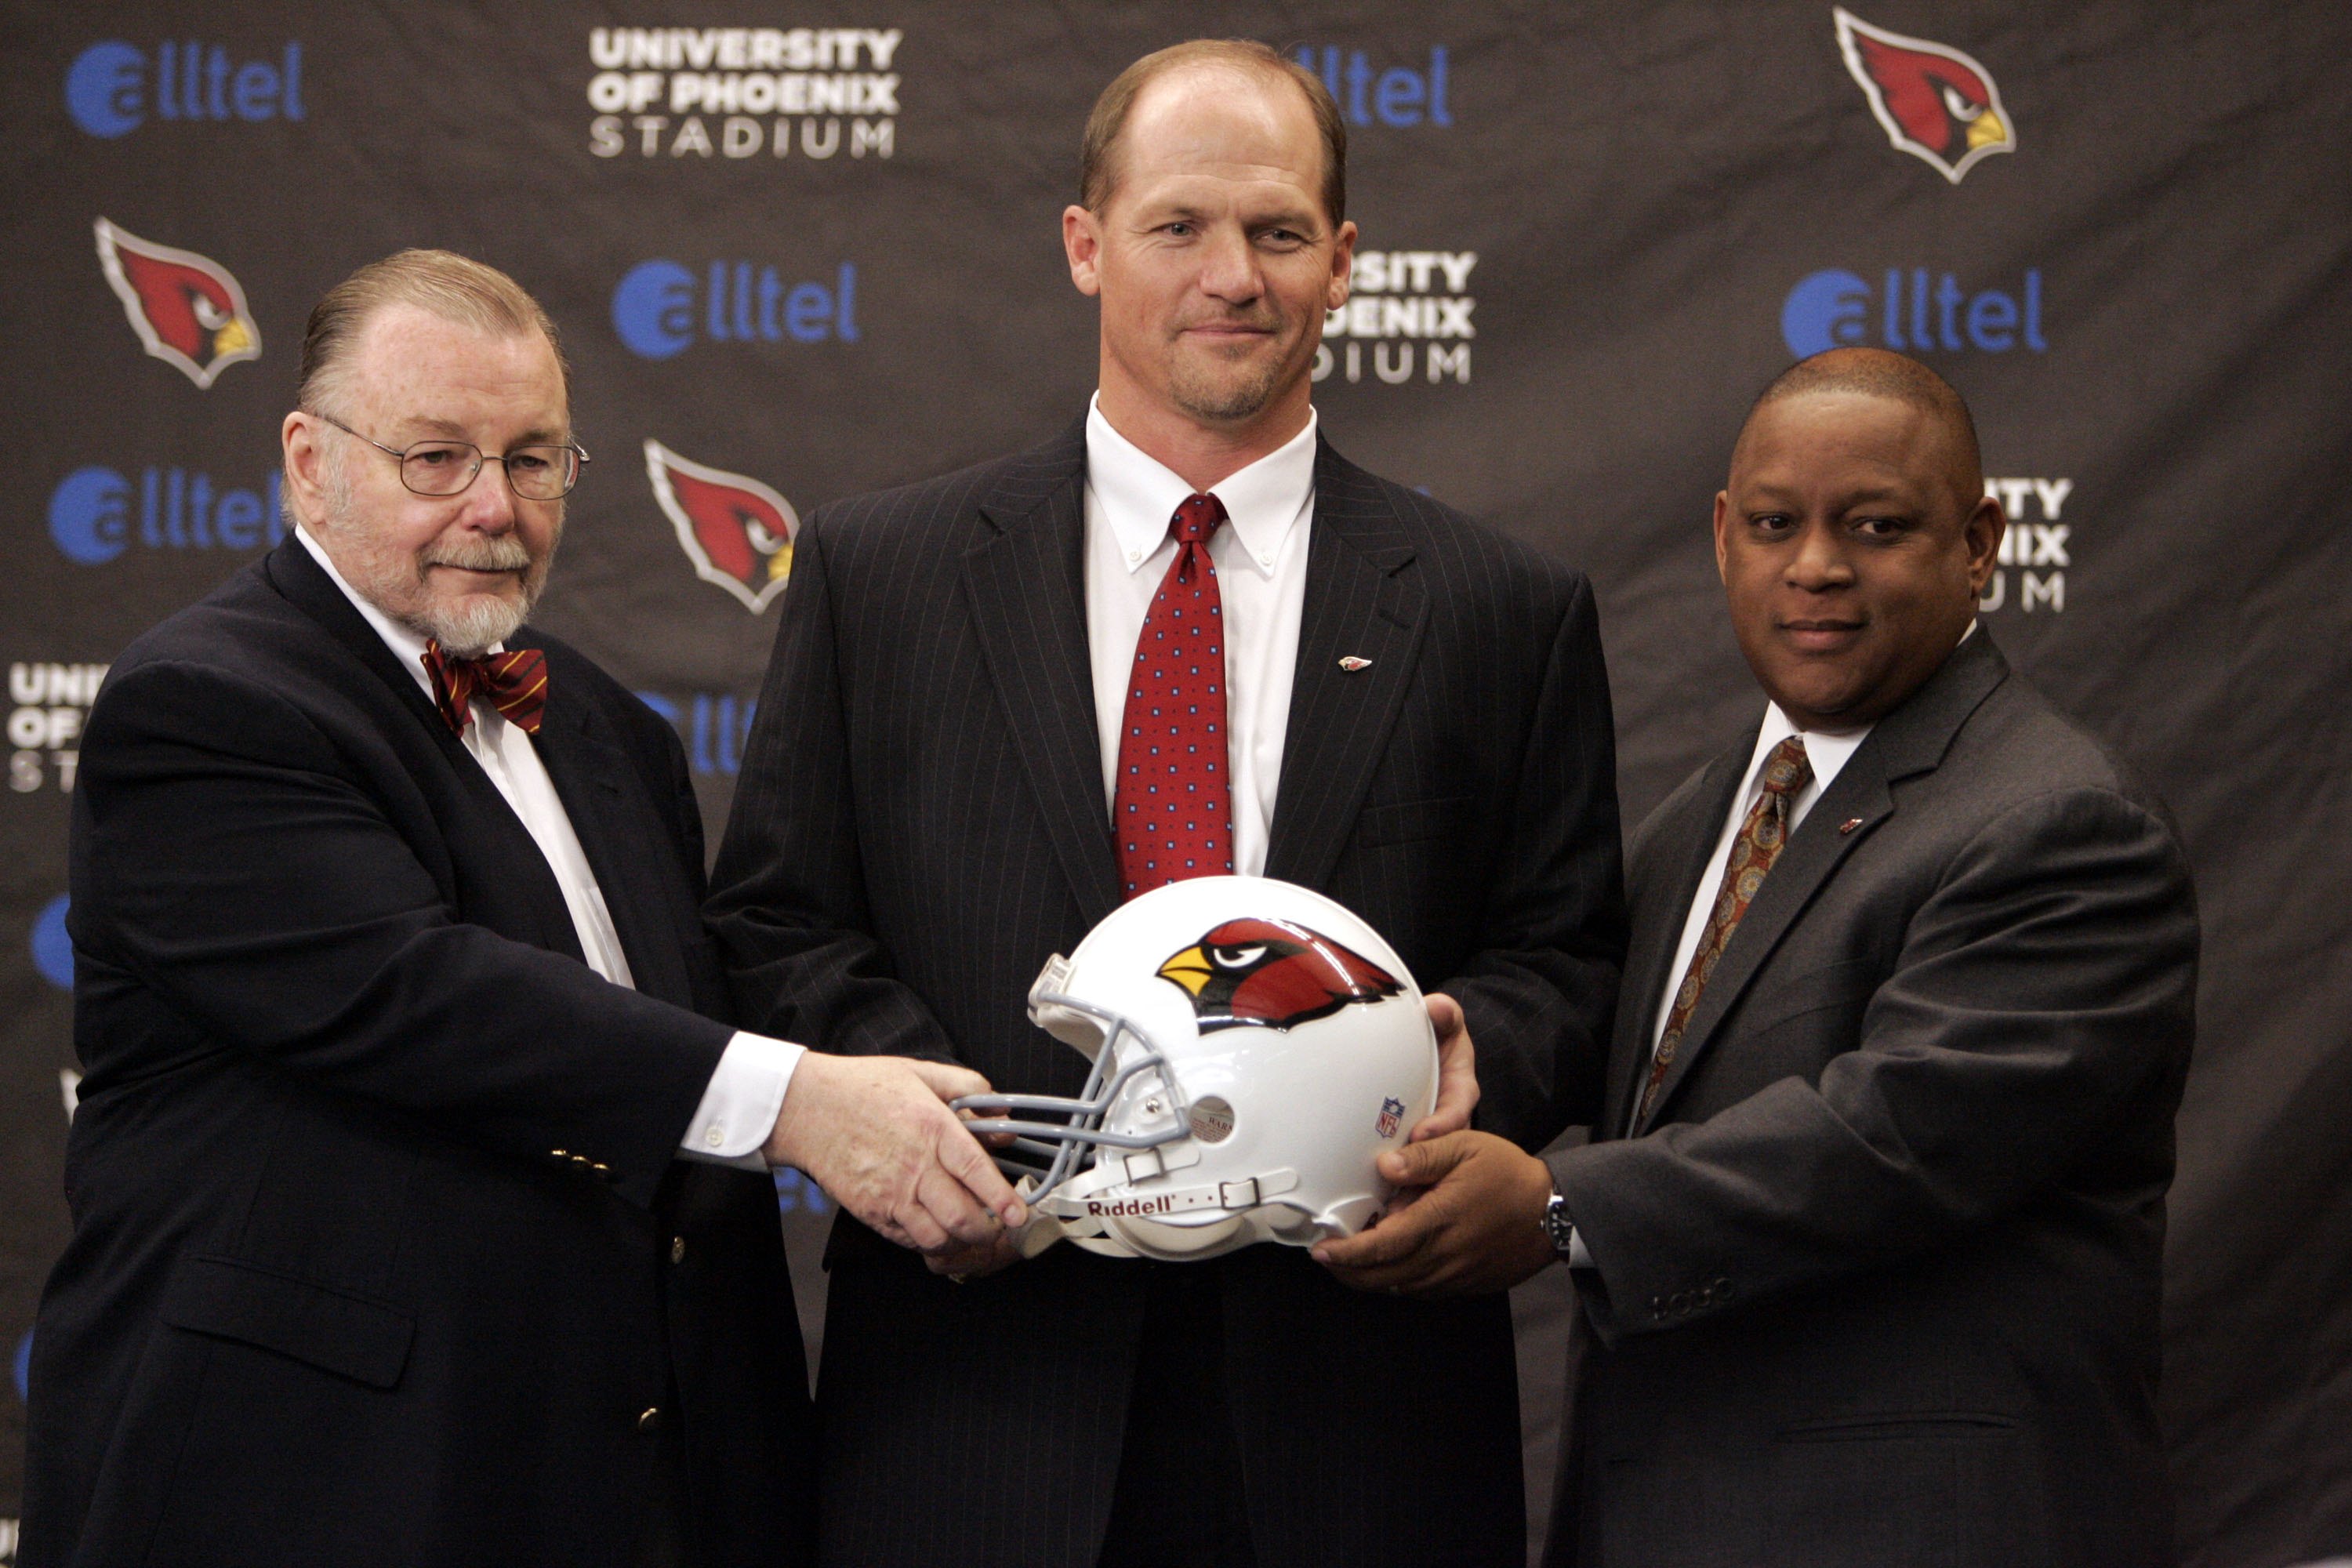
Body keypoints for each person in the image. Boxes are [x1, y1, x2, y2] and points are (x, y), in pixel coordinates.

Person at [705, 38, 1625, 1568]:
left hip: (1363, 1423)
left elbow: (1572, 953)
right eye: (1179, 226)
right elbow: (777, 916)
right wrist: (953, 1132)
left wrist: (1482, 1053)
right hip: (974, 1411)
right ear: (1086, 244)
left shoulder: (1497, 605)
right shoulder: (884, 575)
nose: (1234, 276)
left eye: (1278, 233)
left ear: (1344, 261)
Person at [21, 250, 1022, 1568]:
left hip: (640, 1484)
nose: (494, 507)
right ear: (309, 460)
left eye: (534, 458)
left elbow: (684, 1033)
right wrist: (807, 1105)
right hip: (321, 1488)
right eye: (435, 457)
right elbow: (419, 996)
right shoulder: (204, 707)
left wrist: (975, 1147)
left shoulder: (609, 729)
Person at [1319, 347, 2198, 1568]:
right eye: (1778, 524)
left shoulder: (2060, 824)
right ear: (1726, 536)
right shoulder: (1709, 818)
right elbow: (1620, 1049)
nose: (1818, 567)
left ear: (1983, 541)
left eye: (1877, 525)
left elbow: (1891, 1141)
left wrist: (1559, 1208)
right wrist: (1443, 1066)